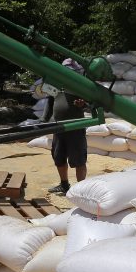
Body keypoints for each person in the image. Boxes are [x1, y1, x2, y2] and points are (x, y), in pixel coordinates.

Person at [44, 59, 90, 194]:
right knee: (58, 157)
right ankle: (64, 185)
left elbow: (91, 103)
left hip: (75, 127)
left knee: (78, 159)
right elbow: (50, 100)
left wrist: (83, 105)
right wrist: (44, 119)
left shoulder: (80, 85)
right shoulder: (56, 84)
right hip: (58, 127)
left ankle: (80, 190)